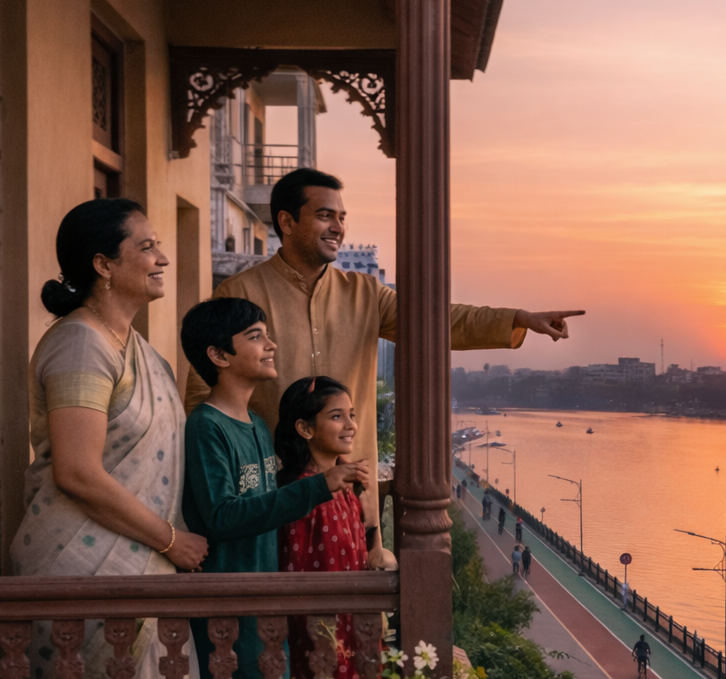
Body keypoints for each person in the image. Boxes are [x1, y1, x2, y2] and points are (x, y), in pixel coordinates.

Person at [184, 168, 583, 536]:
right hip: (271, 495)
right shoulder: (240, 294)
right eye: (325, 216)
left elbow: (439, 320)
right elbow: (207, 391)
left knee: (350, 605)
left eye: (342, 218)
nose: (337, 227)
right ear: (287, 222)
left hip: (352, 489)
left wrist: (518, 318)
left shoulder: (364, 294)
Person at [12, 200, 211, 679]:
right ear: (103, 265)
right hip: (81, 572)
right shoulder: (78, 344)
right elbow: (76, 471)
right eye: (147, 247)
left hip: (137, 578)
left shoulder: (143, 355)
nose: (162, 258)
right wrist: (168, 540)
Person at [181, 300, 340, 679]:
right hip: (225, 600)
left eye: (267, 335)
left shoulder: (252, 426)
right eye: (255, 336)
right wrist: (316, 489)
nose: (269, 345)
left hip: (257, 601)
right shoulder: (206, 427)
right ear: (220, 356)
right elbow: (223, 515)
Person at [276, 374, 395, 679]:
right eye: (336, 416)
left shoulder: (345, 490)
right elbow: (293, 573)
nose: (351, 425)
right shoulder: (303, 494)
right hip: (320, 643)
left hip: (351, 634)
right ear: (305, 428)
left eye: (352, 415)